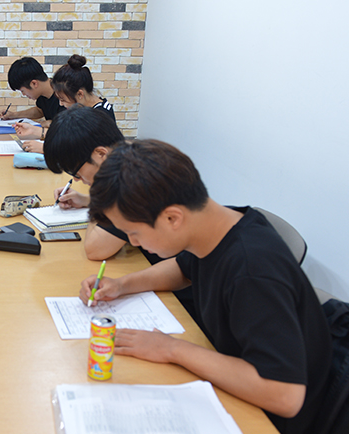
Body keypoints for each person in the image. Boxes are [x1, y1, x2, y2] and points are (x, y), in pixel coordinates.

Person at [82, 139, 331, 434]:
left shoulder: (252, 270)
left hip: (278, 418)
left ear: (172, 217)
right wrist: (122, 285)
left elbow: (284, 395)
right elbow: (183, 268)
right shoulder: (216, 226)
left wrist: (172, 348)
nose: (133, 243)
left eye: (134, 233)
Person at [44, 107, 199, 323]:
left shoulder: (132, 181)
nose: (77, 179)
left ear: (100, 154)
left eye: (76, 171)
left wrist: (97, 195)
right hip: (169, 277)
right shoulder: (137, 156)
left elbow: (95, 249)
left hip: (184, 305)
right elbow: (184, 265)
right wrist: (89, 200)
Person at [0, 56, 66, 148]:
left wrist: (46, 124)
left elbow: (67, 127)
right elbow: (40, 111)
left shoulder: (64, 95)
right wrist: (14, 115)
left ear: (34, 83)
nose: (23, 94)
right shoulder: (42, 95)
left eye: (22, 91)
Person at [52, 54, 115, 121]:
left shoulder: (100, 117)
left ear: (80, 94)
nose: (61, 104)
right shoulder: (84, 111)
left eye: (63, 100)